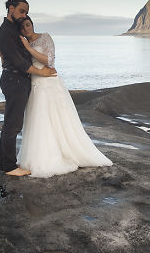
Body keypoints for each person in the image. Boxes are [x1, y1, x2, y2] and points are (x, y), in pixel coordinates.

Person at [16, 16, 113, 177]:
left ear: (32, 24)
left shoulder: (45, 37)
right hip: (35, 84)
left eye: (28, 25)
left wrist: (29, 48)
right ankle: (40, 155)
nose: (26, 29)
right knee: (39, 120)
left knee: (58, 118)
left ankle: (63, 152)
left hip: (50, 82)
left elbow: (50, 61)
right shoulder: (22, 43)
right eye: (22, 27)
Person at [0, 0, 57, 177]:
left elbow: (16, 53)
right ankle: (9, 167)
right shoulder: (5, 32)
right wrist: (41, 72)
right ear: (11, 8)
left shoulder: (14, 29)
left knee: (13, 123)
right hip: (14, 79)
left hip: (20, 79)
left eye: (26, 13)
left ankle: (7, 164)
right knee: (13, 124)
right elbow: (19, 62)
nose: (24, 15)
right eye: (22, 11)